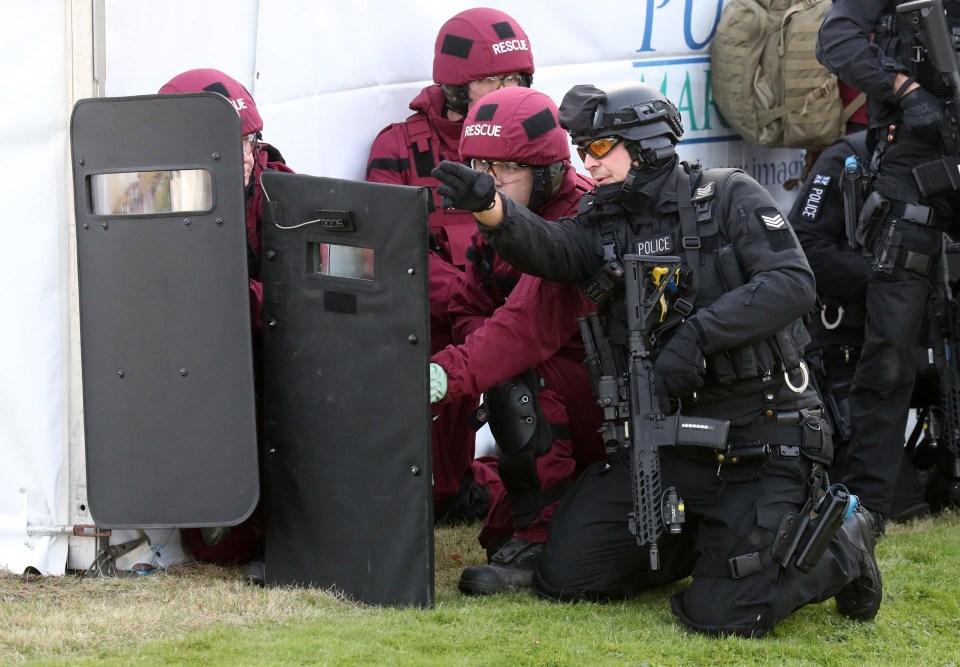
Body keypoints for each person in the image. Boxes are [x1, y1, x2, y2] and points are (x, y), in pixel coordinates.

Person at [431, 81, 881, 638]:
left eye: (599, 149)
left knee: (721, 618)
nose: (586, 164)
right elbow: (551, 247)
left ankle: (847, 542)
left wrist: (696, 337)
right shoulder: (602, 219)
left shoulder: (728, 195)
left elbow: (791, 284)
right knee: (566, 575)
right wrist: (492, 208)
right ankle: (714, 547)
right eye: (581, 151)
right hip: (664, 443)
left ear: (642, 144)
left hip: (758, 438)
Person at [428, 86, 604, 595]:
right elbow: (467, 304)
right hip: (567, 399)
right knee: (495, 532)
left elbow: (525, 329)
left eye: (507, 166)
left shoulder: (579, 219)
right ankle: (533, 522)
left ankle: (543, 541)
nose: (490, 179)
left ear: (547, 170)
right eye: (482, 163)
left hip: (613, 411)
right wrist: (474, 356)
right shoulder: (499, 212)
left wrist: (445, 374)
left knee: (515, 376)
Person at [366, 8, 536, 525]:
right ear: (458, 85)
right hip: (442, 324)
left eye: (517, 79)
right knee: (435, 493)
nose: (507, 89)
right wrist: (471, 305)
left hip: (521, 312)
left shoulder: (529, 132)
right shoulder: (397, 147)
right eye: (493, 79)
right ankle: (472, 484)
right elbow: (392, 250)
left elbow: (561, 226)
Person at [816, 1, 960, 534]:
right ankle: (870, 501)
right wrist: (905, 89)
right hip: (916, 152)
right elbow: (836, 41)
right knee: (892, 340)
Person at [158, 68, 294, 583]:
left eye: (250, 140)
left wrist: (244, 304)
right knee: (216, 549)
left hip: (265, 355)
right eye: (227, 142)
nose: (244, 154)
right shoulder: (148, 197)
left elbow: (299, 291)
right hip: (195, 373)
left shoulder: (275, 184)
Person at [789, 130, 931, 523]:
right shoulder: (851, 157)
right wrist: (895, 280)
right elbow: (805, 246)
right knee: (900, 504)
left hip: (929, 336)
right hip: (854, 343)